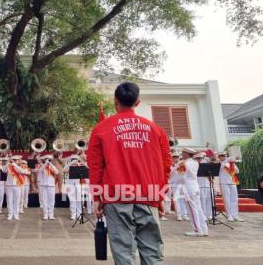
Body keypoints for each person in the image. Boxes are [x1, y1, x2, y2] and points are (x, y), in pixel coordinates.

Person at [88, 82, 172, 265]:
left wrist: (97, 197)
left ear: (115, 102)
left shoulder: (102, 128)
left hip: (116, 197)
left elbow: (95, 166)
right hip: (148, 195)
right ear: (138, 102)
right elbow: (166, 165)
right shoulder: (156, 129)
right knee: (152, 252)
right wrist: (160, 196)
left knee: (123, 252)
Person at [178, 148, 209, 237]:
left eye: (183, 153)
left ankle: (197, 230)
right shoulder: (195, 162)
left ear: (187, 154)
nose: (182, 154)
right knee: (198, 208)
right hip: (195, 185)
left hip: (188, 187)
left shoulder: (183, 163)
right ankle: (204, 229)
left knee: (192, 209)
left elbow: (181, 176)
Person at [218, 152, 244, 222]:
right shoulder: (220, 163)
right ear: (219, 157)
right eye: (222, 156)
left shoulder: (230, 163)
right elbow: (221, 167)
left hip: (232, 182)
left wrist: (233, 163)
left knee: (234, 199)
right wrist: (227, 160)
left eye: (225, 156)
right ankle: (229, 215)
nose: (224, 157)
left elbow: (237, 171)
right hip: (224, 182)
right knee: (227, 199)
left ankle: (235, 214)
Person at [4, 155, 28, 220]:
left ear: (18, 161)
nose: (14, 161)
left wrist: (14, 164)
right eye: (13, 160)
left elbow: (22, 171)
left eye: (15, 160)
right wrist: (7, 163)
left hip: (17, 185)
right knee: (9, 200)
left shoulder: (20, 166)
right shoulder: (9, 166)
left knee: (17, 200)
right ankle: (10, 214)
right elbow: (3, 170)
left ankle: (16, 214)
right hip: (9, 185)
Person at [37, 154, 59, 220]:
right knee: (44, 200)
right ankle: (45, 214)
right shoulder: (42, 167)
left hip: (51, 185)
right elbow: (40, 171)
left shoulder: (53, 167)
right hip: (44, 185)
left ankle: (51, 214)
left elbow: (57, 172)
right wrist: (46, 163)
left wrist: (51, 164)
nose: (48, 160)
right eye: (46, 159)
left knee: (52, 200)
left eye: (49, 159)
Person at [170, 152, 189, 221]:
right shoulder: (171, 165)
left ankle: (184, 214)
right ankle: (179, 215)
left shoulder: (182, 165)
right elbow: (170, 173)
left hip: (182, 184)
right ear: (172, 158)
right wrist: (176, 166)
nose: (176, 159)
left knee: (184, 199)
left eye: (177, 157)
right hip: (174, 184)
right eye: (174, 157)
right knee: (176, 200)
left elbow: (185, 174)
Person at [64, 155, 83, 220]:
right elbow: (64, 169)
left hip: (78, 184)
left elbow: (85, 169)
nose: (74, 161)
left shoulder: (79, 166)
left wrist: (78, 163)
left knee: (79, 200)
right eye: (73, 160)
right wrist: (71, 163)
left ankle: (79, 214)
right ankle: (73, 214)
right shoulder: (69, 166)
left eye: (76, 159)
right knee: (72, 200)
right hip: (70, 184)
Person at [195, 152, 213, 220]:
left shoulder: (206, 164)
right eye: (198, 158)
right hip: (200, 185)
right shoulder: (195, 165)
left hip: (207, 184)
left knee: (209, 200)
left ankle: (209, 214)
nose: (199, 159)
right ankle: (203, 214)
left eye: (201, 158)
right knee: (202, 200)